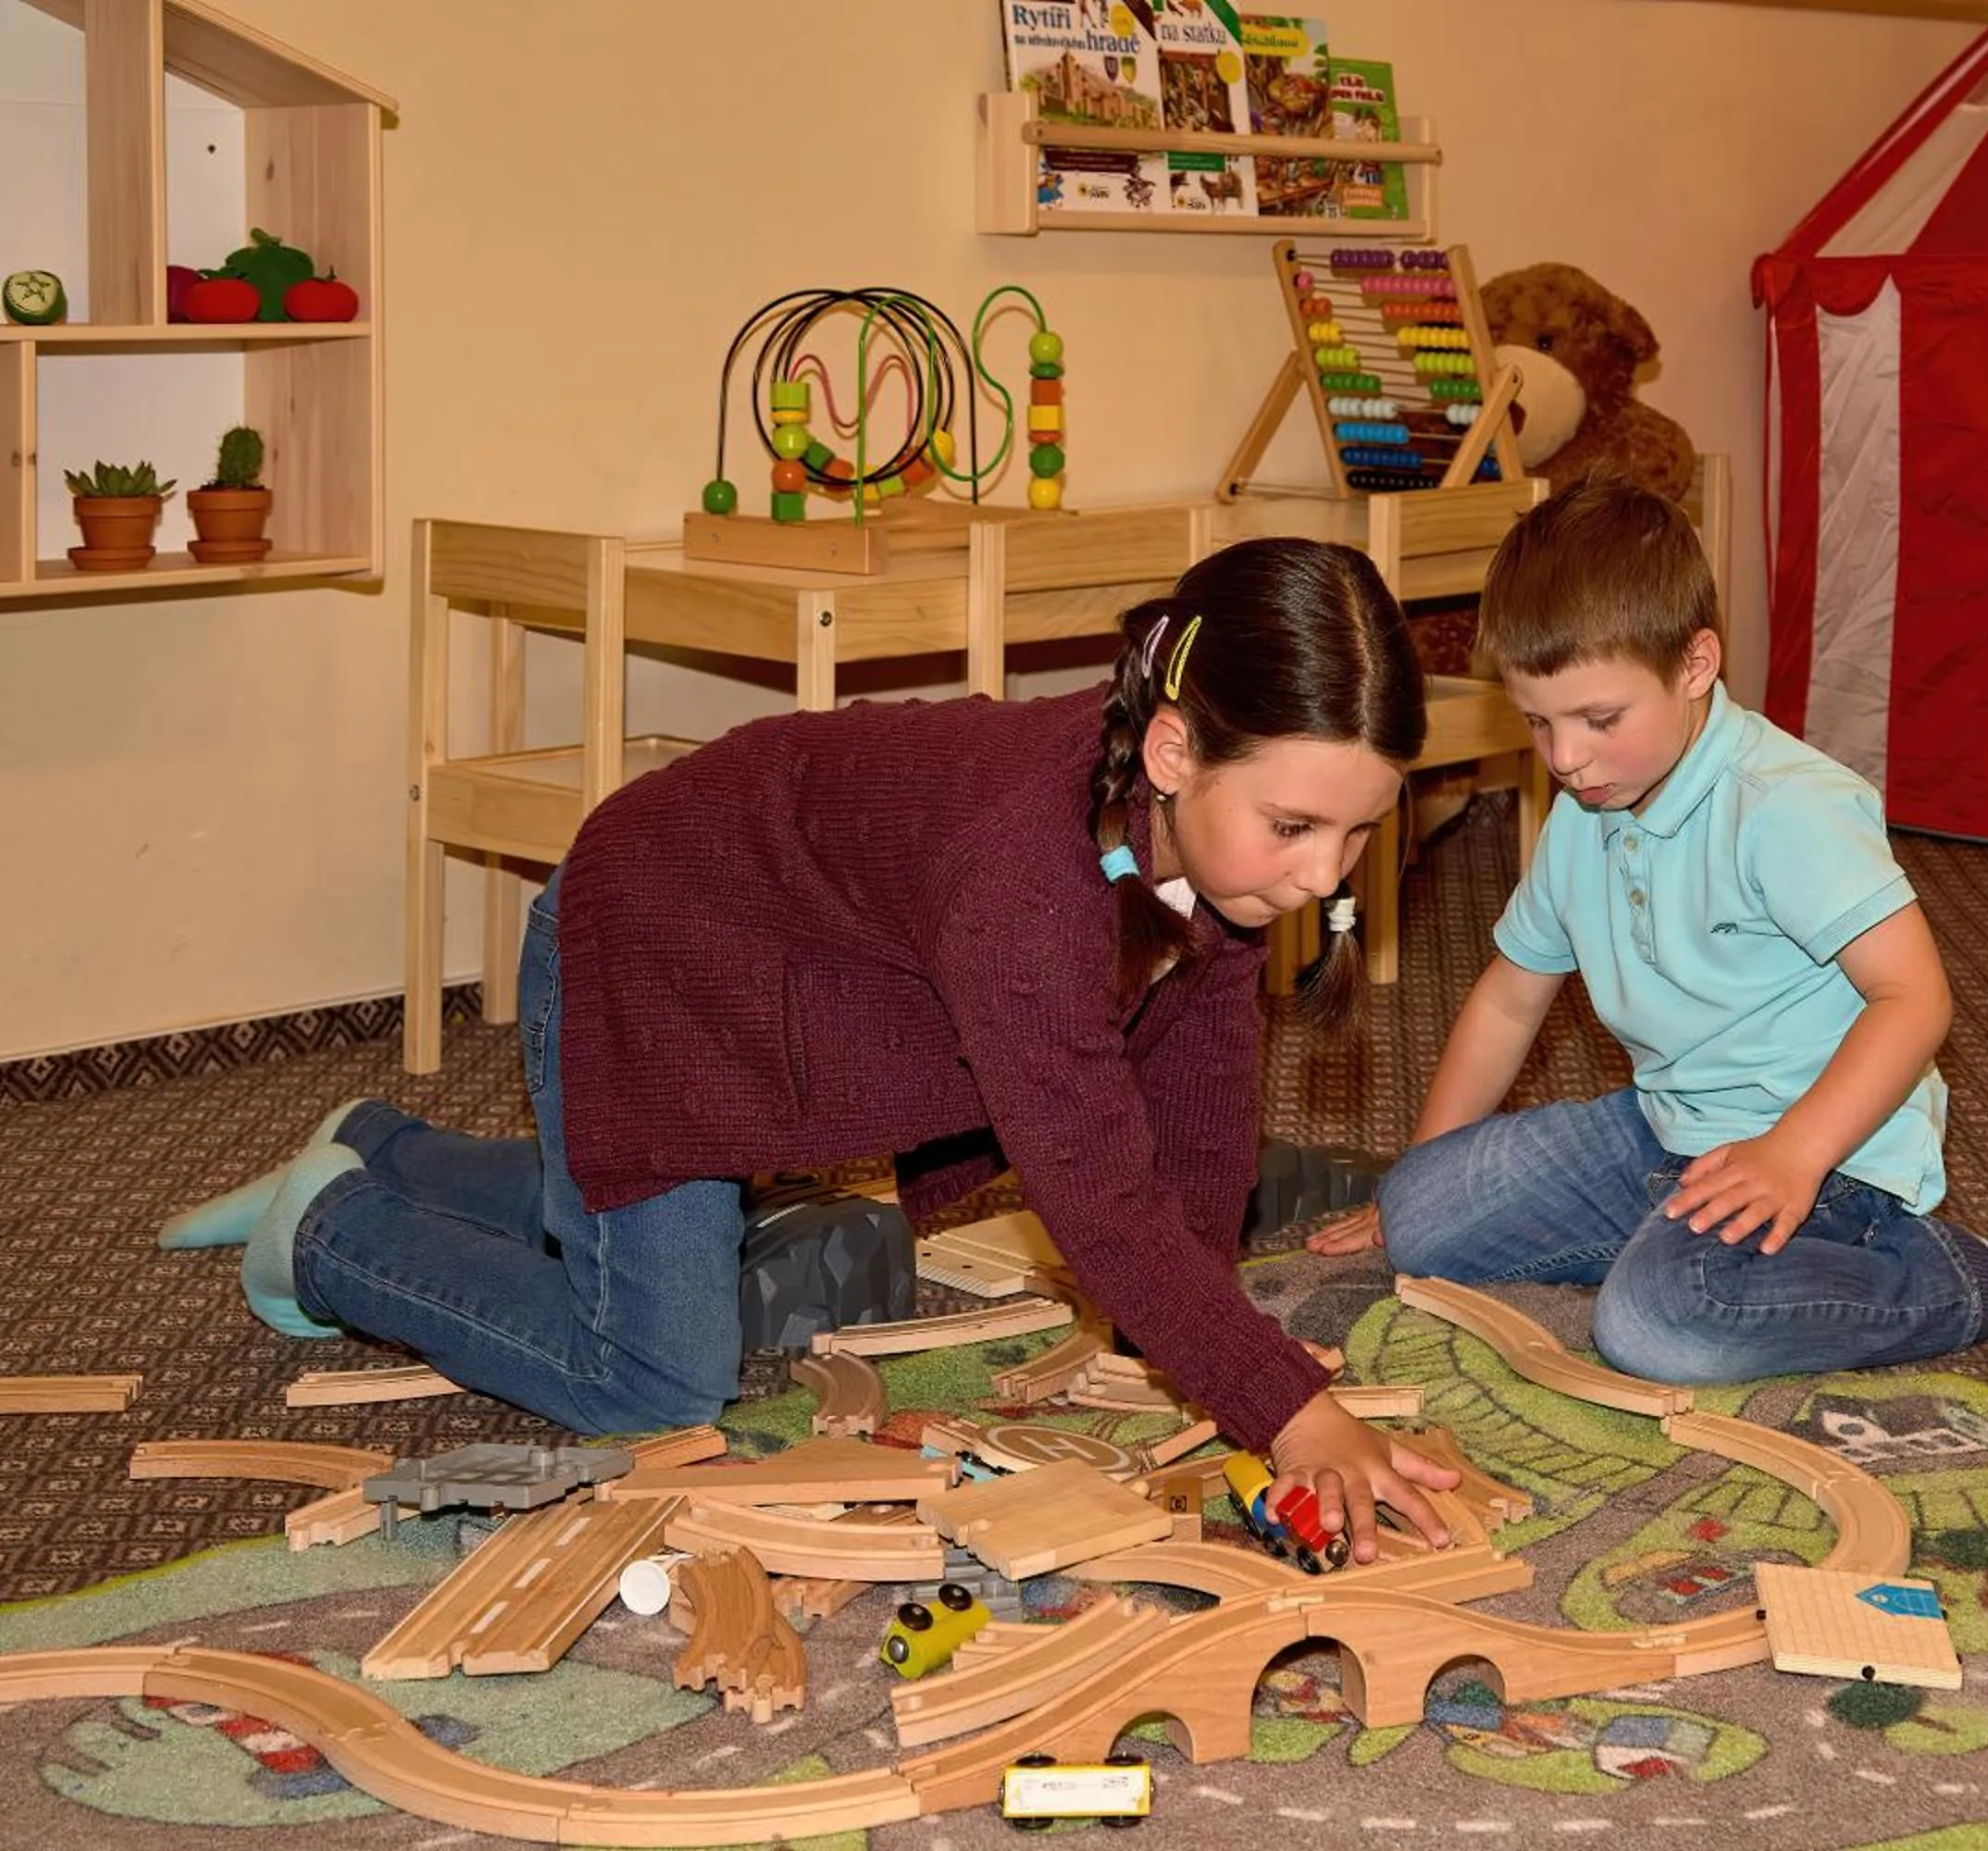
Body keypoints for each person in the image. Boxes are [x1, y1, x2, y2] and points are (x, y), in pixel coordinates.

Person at [159, 538, 1460, 1559]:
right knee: (653, 1378)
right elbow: (1097, 1186)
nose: (1323, 875)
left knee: (658, 1226)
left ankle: (380, 1147)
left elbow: (1200, 1094)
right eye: (1296, 827)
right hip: (649, 954)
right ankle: (332, 1230)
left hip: (768, 962)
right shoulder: (1034, 880)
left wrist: (1213, 1328)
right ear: (1176, 748)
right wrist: (1283, 1402)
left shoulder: (1192, 835)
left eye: (1357, 834)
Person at [1310, 477, 1988, 1381]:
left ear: (1695, 665)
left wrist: (1793, 1152)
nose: (1565, 758)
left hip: (1832, 1159)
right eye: (1538, 722)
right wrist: (1412, 1183)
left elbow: (1915, 997)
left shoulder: (1784, 806)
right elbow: (1509, 1001)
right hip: (1663, 1128)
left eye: (1599, 719)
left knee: (1658, 1327)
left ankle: (1945, 1281)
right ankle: (1678, 1231)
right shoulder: (1582, 812)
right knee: (1421, 1215)